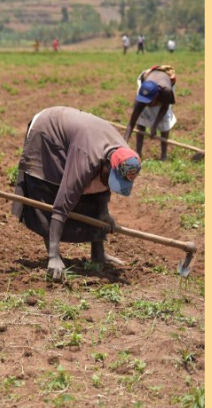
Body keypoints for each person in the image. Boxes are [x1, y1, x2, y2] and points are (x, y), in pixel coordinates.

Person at [13, 107, 141, 282]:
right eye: (110, 176)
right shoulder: (87, 158)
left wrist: (104, 213)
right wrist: (53, 257)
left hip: (81, 136)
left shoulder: (125, 157)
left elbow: (101, 187)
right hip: (47, 132)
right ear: (106, 164)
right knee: (51, 187)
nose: (109, 182)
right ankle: (54, 256)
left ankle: (98, 254)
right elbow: (61, 205)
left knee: (93, 190)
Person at [123, 65, 177, 161]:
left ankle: (163, 156)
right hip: (148, 77)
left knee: (164, 121)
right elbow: (131, 123)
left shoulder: (166, 91)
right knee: (142, 118)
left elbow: (164, 108)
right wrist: (123, 145)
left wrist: (154, 125)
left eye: (149, 101)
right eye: (144, 100)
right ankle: (138, 153)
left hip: (164, 81)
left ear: (156, 96)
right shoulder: (142, 95)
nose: (146, 103)